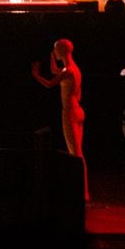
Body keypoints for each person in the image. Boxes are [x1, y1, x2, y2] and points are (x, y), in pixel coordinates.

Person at [33, 37, 88, 201]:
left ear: (62, 51)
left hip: (70, 111)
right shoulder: (73, 69)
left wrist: (35, 75)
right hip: (78, 110)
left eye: (55, 49)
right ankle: (82, 190)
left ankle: (80, 192)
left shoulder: (68, 70)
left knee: (75, 153)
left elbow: (50, 83)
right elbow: (56, 71)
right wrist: (51, 58)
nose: (54, 51)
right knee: (78, 152)